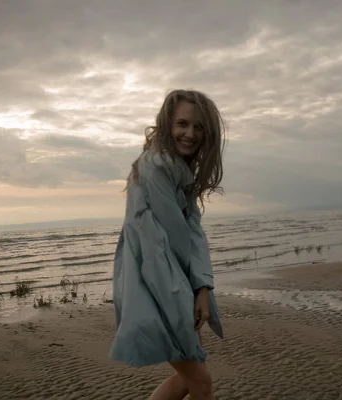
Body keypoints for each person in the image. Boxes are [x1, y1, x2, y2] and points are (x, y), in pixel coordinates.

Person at [109, 89, 226, 400]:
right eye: (182, 124)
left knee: (189, 379)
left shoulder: (176, 170)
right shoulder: (155, 167)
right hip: (159, 285)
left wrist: (202, 288)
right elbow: (170, 242)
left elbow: (190, 231)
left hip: (172, 282)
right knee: (199, 381)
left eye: (199, 127)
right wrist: (192, 294)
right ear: (166, 124)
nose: (190, 134)